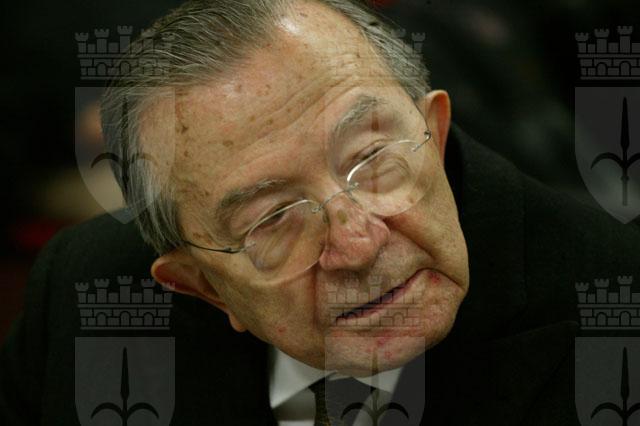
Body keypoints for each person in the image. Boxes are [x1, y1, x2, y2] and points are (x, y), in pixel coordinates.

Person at [2, 1, 639, 425]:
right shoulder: (83, 296)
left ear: (436, 135)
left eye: (373, 162)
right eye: (272, 218)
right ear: (201, 284)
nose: (360, 244)